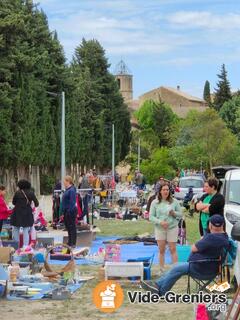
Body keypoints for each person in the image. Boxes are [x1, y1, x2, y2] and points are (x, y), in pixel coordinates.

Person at [141, 215, 229, 296]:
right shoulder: (224, 237)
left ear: (210, 226)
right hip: (210, 269)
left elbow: (193, 248)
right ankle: (157, 286)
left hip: (201, 269)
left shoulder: (211, 238)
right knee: (176, 267)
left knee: (176, 269)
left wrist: (201, 240)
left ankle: (160, 291)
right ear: (222, 225)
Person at [149, 183, 182, 273]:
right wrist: (161, 222)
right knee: (161, 249)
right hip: (160, 229)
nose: (166, 191)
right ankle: (161, 269)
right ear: (160, 191)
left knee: (173, 249)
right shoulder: (155, 202)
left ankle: (176, 270)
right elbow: (151, 217)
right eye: (164, 190)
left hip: (172, 228)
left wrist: (173, 213)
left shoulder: (174, 201)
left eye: (167, 190)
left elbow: (180, 214)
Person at [11, 180, 39, 247]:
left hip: (17, 214)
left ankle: (16, 247)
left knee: (16, 229)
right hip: (27, 214)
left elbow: (13, 202)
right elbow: (37, 204)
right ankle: (25, 247)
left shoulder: (17, 193)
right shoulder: (31, 193)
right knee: (26, 230)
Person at [62, 176, 77, 247]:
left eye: (64, 181)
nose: (63, 183)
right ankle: (70, 241)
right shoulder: (67, 190)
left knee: (72, 227)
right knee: (68, 227)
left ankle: (73, 243)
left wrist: (69, 211)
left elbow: (72, 202)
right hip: (66, 211)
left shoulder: (72, 190)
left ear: (68, 181)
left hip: (70, 211)